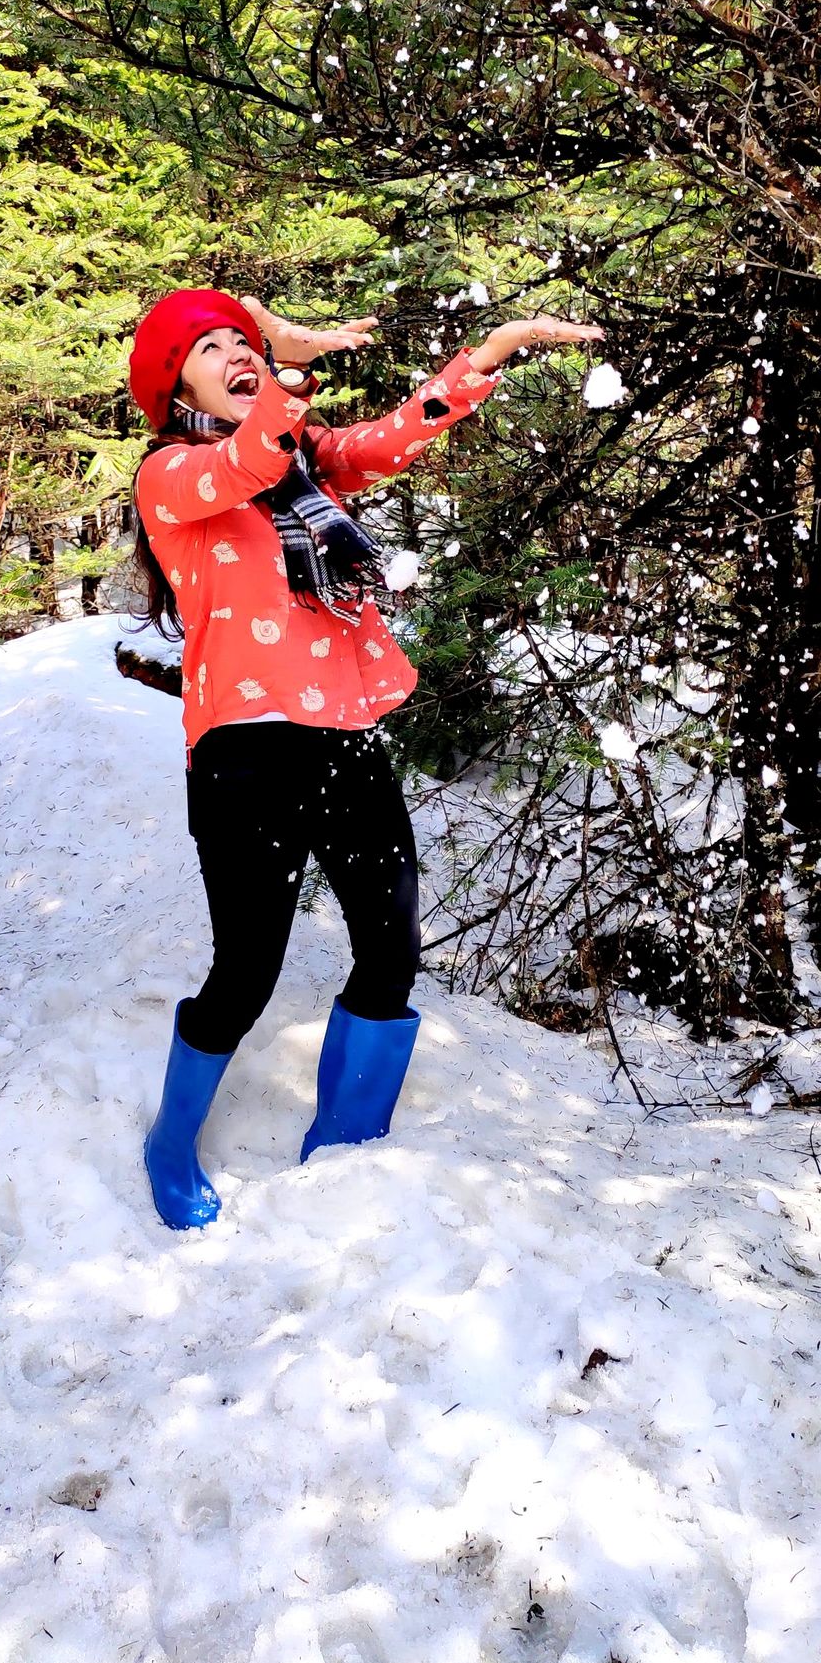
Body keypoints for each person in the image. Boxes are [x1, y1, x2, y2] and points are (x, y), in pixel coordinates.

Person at [128, 286, 604, 1228]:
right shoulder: (174, 477)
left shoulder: (309, 464)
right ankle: (168, 1142)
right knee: (246, 972)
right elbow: (245, 458)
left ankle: (342, 1150)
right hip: (245, 757)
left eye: (242, 340)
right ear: (173, 384)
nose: (237, 354)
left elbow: (399, 432)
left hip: (348, 741)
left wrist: (492, 349)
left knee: (390, 953)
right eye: (211, 348)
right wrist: (291, 368)